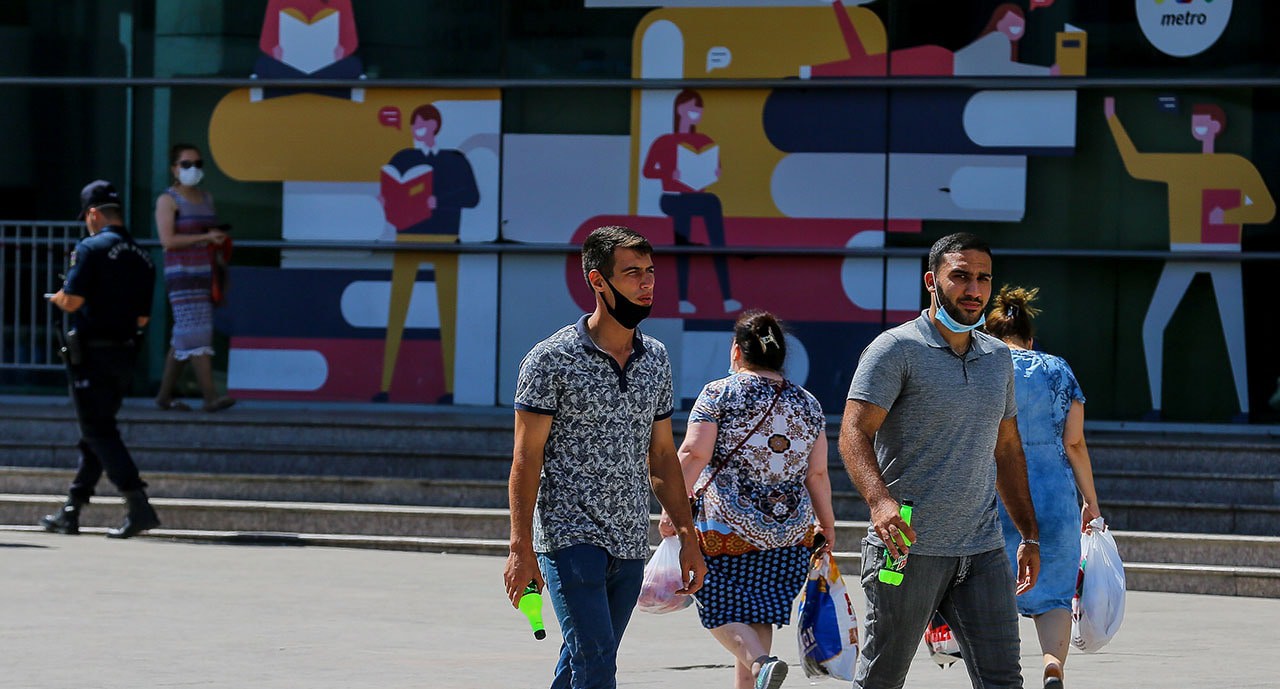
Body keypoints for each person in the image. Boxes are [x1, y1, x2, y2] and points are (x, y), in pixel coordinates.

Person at [504, 225, 707, 689]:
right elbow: (526, 458)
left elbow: (662, 455)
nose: (646, 283)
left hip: (629, 538)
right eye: (632, 273)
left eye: (650, 272)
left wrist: (688, 537)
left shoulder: (655, 358)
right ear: (598, 281)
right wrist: (520, 548)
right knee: (596, 662)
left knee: (584, 659)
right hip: (568, 535)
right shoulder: (550, 359)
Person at [839, 232, 1041, 689]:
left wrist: (1029, 533)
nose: (974, 289)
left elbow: (1007, 449)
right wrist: (880, 502)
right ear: (932, 281)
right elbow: (853, 432)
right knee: (882, 678)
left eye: (983, 279)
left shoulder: (997, 358)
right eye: (961, 276)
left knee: (1004, 680)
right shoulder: (895, 349)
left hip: (982, 549)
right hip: (905, 548)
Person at [659, 309, 833, 689]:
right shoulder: (808, 403)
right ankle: (758, 673)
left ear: (737, 350)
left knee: (715, 606)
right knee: (759, 614)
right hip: (790, 534)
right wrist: (827, 524)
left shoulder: (718, 393)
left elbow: (694, 453)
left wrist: (672, 509)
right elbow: (817, 473)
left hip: (726, 529)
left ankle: (760, 663)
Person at [1104, 97, 1274, 422]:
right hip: (1183, 250)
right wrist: (1112, 118)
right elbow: (1135, 164)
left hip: (1225, 253)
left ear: (1216, 126)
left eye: (1203, 120)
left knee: (1235, 333)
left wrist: (1228, 215)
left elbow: (1265, 208)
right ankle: (1156, 407)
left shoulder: (1236, 166)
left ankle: (1245, 410)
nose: (1197, 126)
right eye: (1195, 121)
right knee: (1153, 325)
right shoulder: (1182, 164)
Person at [985, 286, 1101, 689]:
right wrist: (1091, 502)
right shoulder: (1058, 368)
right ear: (1030, 339)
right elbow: (1075, 442)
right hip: (1054, 495)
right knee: (1053, 595)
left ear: (990, 335)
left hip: (996, 491)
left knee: (990, 589)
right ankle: (1053, 664)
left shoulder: (985, 364)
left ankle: (996, 673)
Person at [40, 180, 161, 539]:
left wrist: (57, 298)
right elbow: (143, 319)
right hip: (125, 354)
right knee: (96, 431)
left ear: (93, 214)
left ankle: (138, 504)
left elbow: (73, 301)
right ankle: (71, 509)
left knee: (97, 431)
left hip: (92, 354)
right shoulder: (143, 256)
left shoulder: (90, 248)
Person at [374, 103, 479, 403]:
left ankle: (451, 390)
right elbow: (388, 191)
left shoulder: (453, 160)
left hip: (445, 239)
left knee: (449, 314)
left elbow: (472, 197)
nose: (416, 130)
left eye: (420, 124)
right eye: (413, 125)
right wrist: (386, 199)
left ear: (433, 126)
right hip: (407, 238)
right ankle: (385, 388)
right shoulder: (403, 159)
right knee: (397, 311)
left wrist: (438, 202)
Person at [642, 89, 741, 316]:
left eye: (699, 109)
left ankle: (727, 297)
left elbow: (714, 169)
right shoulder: (665, 141)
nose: (697, 113)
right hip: (672, 197)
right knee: (687, 221)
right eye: (693, 108)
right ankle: (683, 299)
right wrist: (669, 174)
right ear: (680, 109)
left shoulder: (704, 141)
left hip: (696, 196)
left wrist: (715, 173)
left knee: (712, 204)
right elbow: (647, 171)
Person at [153, 144, 235, 413]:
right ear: (174, 169)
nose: (193, 169)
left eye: (198, 164)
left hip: (206, 272)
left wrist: (218, 249)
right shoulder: (168, 200)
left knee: (184, 335)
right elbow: (168, 240)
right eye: (186, 164)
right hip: (181, 273)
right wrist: (205, 237)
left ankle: (164, 396)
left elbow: (212, 234)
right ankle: (210, 396)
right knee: (197, 331)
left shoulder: (206, 198)